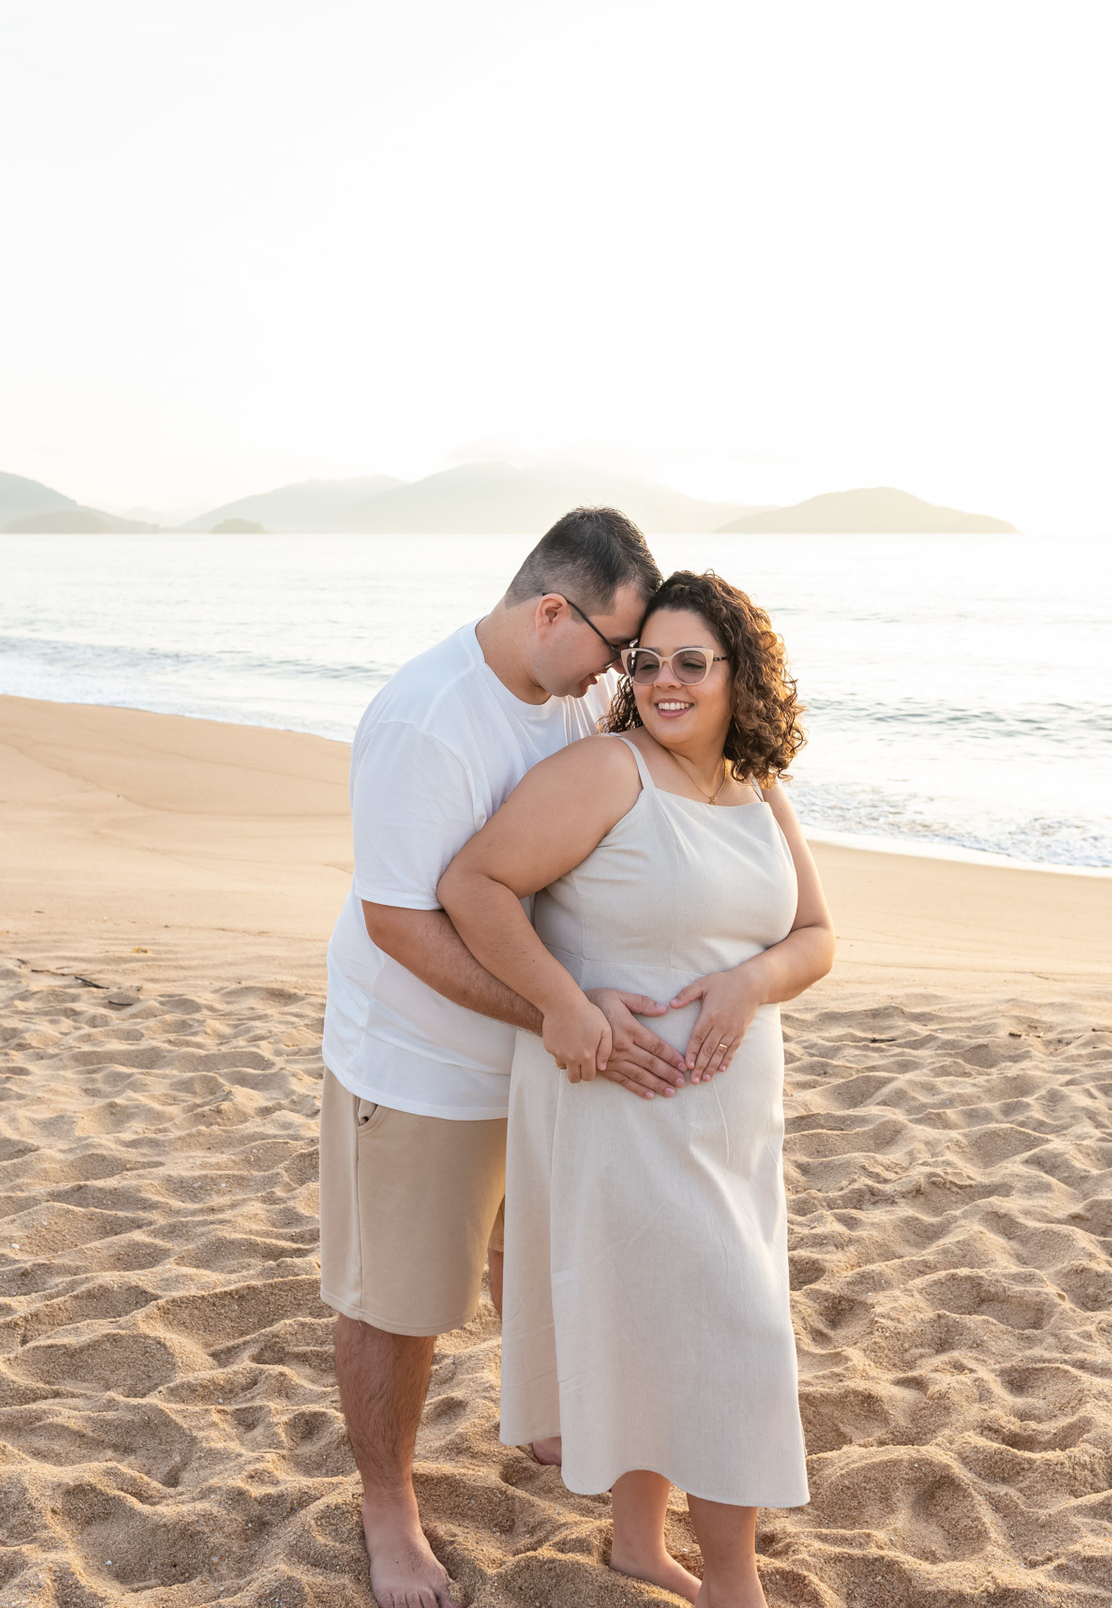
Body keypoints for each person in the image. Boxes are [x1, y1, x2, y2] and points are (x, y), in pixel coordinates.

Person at [320, 508, 697, 1608]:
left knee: (523, 1250)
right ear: (550, 611)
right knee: (398, 1302)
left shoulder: (571, 692)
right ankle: (387, 1511)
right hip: (417, 1061)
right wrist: (555, 1011)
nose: (623, 671)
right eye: (617, 645)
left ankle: (538, 1410)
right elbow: (400, 921)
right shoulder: (429, 720)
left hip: (536, 1053)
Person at [439, 570, 835, 1608]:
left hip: (735, 1121)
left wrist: (749, 983)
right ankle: (735, 1583)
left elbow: (816, 938)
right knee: (726, 1330)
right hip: (625, 1104)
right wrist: (565, 1005)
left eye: (690, 662)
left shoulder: (758, 791)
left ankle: (635, 1545)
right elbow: (472, 885)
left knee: (670, 1319)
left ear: (737, 674)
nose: (664, 681)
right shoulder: (609, 772)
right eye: (645, 660)